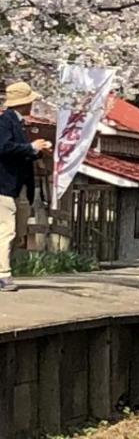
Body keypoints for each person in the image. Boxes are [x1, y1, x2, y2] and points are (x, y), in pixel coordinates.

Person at [0, 82, 51, 292]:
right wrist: (31, 147)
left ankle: (3, 269)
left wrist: (37, 152)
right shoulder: (5, 121)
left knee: (19, 231)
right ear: (24, 102)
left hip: (18, 186)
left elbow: (16, 152)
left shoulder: (18, 123)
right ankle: (3, 275)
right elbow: (3, 147)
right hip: (4, 185)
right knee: (7, 230)